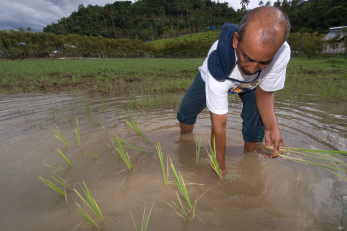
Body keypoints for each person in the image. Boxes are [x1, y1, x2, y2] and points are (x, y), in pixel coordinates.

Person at [177, 6, 291, 174]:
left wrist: (273, 128)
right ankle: (185, 139)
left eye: (263, 63)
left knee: (255, 124)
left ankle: (250, 157)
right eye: (247, 58)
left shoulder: (281, 53)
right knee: (186, 112)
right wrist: (220, 166)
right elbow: (219, 125)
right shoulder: (218, 62)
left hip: (252, 86)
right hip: (218, 78)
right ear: (236, 40)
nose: (252, 69)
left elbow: (265, 93)